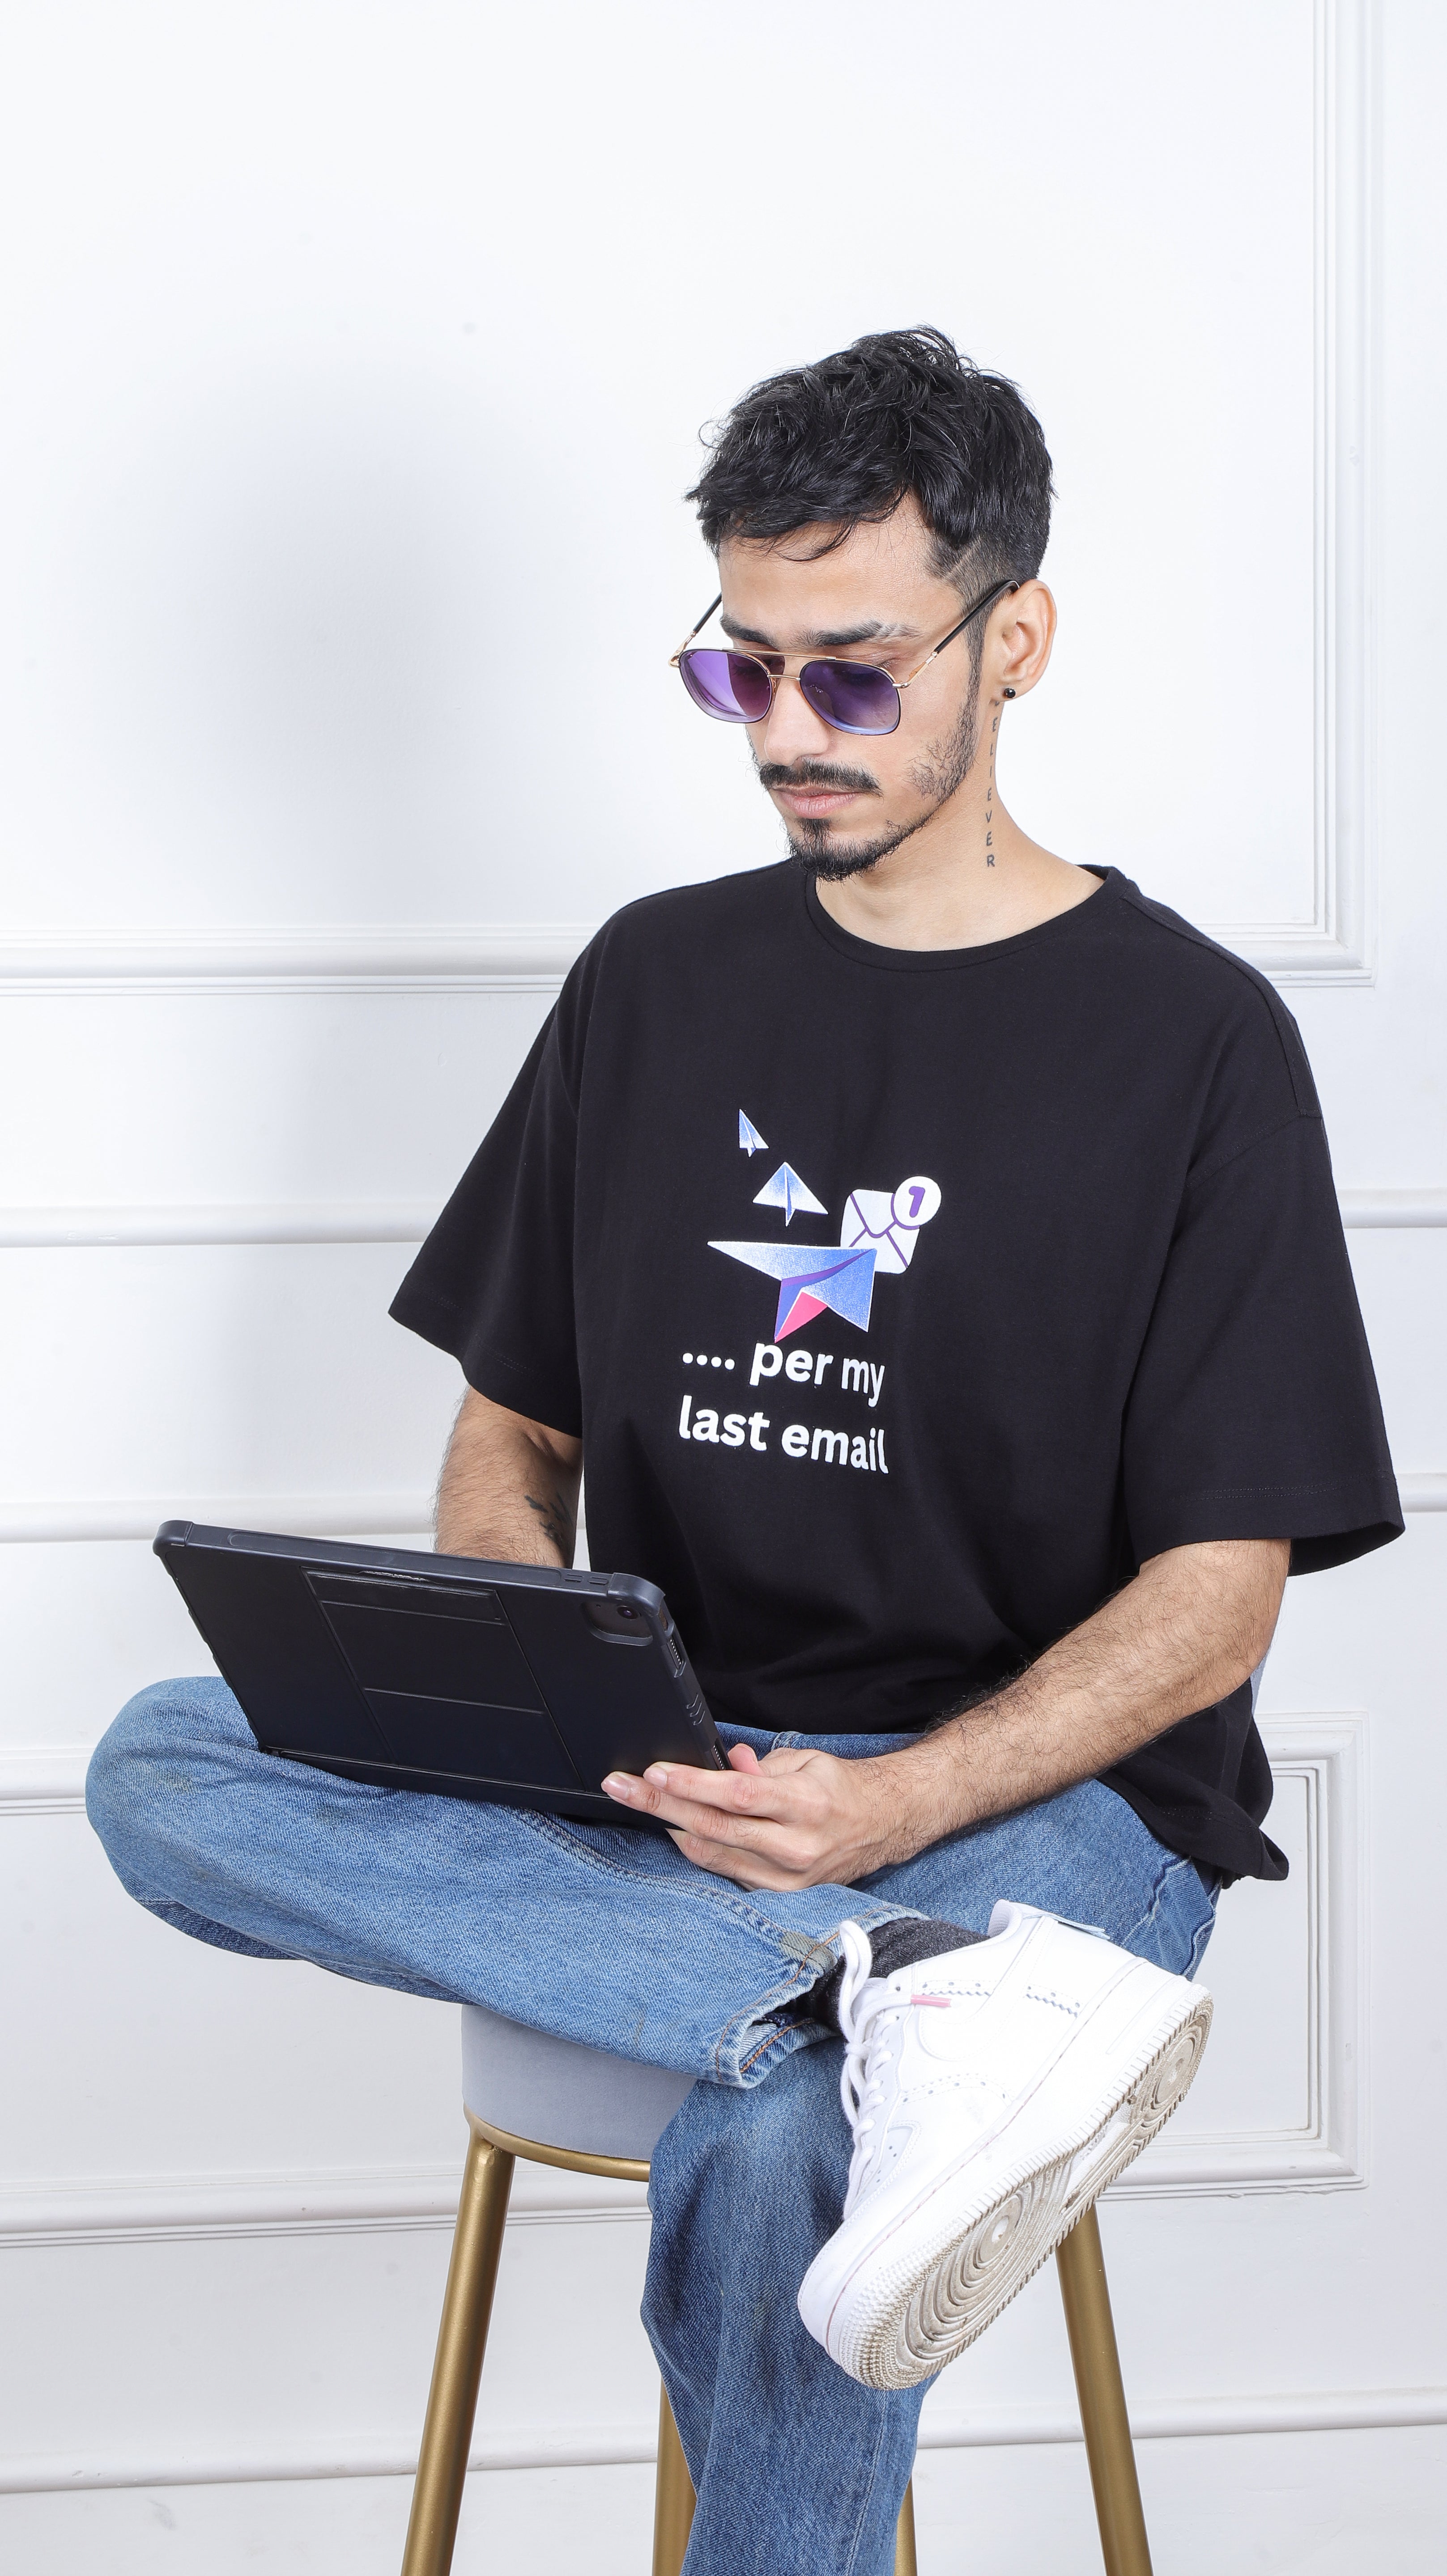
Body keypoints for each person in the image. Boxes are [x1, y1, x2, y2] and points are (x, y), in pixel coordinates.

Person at [87, 327, 1401, 2574]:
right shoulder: (652, 981)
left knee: (786, 2149)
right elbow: (511, 1432)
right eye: (744, 672)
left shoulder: (1192, 1040)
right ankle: (876, 2005)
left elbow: (1217, 1603)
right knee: (162, 1760)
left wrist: (890, 1811)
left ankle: (894, 1999)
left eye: (854, 674)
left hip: (1041, 1816)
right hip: (669, 1780)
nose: (790, 733)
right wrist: (515, 1655)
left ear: (1014, 639)